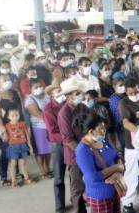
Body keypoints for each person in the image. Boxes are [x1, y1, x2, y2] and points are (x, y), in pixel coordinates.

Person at [76, 114, 124, 213]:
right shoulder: (82, 150)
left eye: (104, 128)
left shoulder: (104, 140)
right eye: (101, 129)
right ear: (91, 131)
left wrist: (118, 171)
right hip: (100, 196)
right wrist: (116, 168)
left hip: (115, 188)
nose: (104, 131)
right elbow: (92, 177)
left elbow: (116, 156)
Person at [57, 77, 90, 213]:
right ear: (68, 97)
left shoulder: (82, 107)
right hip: (75, 154)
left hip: (89, 148)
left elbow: (91, 124)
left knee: (90, 181)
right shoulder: (64, 113)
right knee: (77, 187)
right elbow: (68, 139)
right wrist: (83, 152)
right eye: (77, 93)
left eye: (80, 92)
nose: (80, 95)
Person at [119, 79, 139, 213]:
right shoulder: (124, 103)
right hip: (132, 144)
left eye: (136, 91)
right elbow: (125, 123)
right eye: (131, 93)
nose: (135, 94)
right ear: (126, 92)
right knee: (131, 174)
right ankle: (127, 203)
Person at [43, 83, 67, 213]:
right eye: (58, 91)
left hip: (71, 143)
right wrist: (68, 137)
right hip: (59, 145)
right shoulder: (48, 109)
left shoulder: (67, 104)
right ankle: (60, 206)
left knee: (76, 175)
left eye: (62, 91)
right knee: (59, 177)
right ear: (52, 94)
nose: (61, 93)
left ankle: (79, 199)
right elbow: (53, 131)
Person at [24, 79, 52, 179]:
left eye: (40, 86)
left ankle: (47, 167)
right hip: (38, 127)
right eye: (36, 87)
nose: (39, 88)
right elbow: (36, 112)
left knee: (48, 149)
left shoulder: (47, 95)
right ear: (30, 89)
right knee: (40, 150)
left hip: (49, 125)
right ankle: (42, 171)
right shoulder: (29, 99)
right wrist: (51, 119)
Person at [4, 108, 34, 187]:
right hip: (13, 147)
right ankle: (14, 181)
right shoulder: (7, 126)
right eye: (12, 116)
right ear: (8, 117)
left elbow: (27, 135)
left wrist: (30, 146)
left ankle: (26, 178)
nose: (15, 117)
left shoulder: (22, 124)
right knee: (13, 164)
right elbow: (6, 139)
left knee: (23, 163)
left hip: (23, 145)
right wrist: (3, 134)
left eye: (16, 115)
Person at [109, 78, 126, 150]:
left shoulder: (124, 95)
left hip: (126, 123)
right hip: (121, 126)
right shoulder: (114, 98)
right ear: (114, 87)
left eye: (124, 84)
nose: (123, 87)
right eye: (121, 85)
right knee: (126, 147)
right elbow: (122, 112)